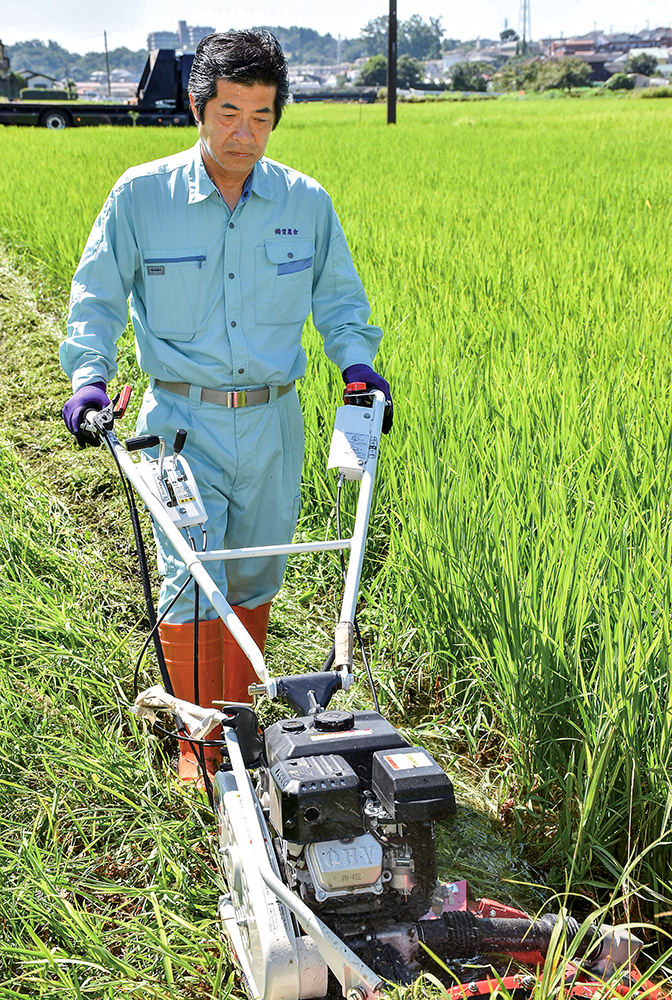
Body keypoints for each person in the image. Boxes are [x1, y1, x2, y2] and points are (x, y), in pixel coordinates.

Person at [60, 29, 392, 783]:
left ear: (277, 118)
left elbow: (340, 302)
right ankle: (195, 749)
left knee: (254, 576)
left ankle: (236, 726)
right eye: (229, 113)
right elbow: (97, 299)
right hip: (180, 423)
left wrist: (359, 366)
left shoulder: (305, 202)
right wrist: (87, 375)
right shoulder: (142, 197)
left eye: (262, 116)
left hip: (275, 420)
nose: (244, 134)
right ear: (197, 108)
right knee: (189, 576)